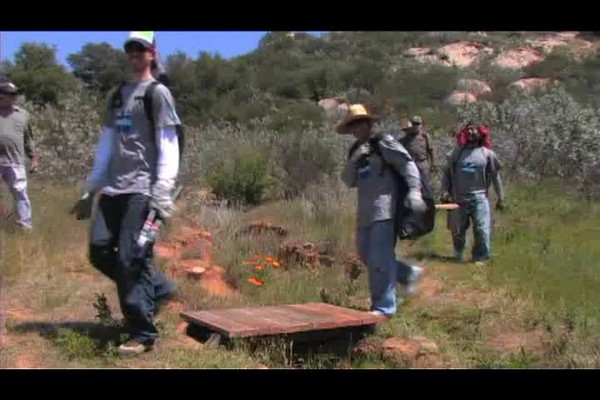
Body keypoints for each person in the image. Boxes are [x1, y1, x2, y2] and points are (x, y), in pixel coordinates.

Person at [73, 31, 180, 355]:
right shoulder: (119, 95)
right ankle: (158, 289)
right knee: (100, 251)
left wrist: (162, 189)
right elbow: (107, 143)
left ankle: (142, 332)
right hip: (114, 188)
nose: (134, 53)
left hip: (142, 190)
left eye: (140, 48)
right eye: (130, 48)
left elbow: (168, 143)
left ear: (152, 52)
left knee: (131, 257)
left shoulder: (157, 94)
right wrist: (92, 186)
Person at [338, 104, 426, 318]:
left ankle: (384, 308)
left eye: (360, 123)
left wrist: (415, 190)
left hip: (384, 209)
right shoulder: (355, 151)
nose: (356, 128)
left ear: (368, 123)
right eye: (352, 125)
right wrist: (355, 159)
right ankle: (408, 273)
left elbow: (407, 164)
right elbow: (348, 180)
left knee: (380, 258)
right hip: (365, 212)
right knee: (366, 255)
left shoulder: (383, 143)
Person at [441, 121, 505, 264]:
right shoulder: (456, 153)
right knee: (457, 230)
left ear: (480, 133)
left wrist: (501, 197)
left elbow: (495, 177)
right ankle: (458, 252)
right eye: (468, 130)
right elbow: (446, 174)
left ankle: (481, 257)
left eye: (473, 130)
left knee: (482, 229)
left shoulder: (487, 154)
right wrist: (444, 191)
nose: (470, 132)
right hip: (458, 199)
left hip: (479, 198)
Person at [0, 80, 39, 230]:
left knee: (20, 193)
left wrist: (34, 158)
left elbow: (28, 139)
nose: (16, 96)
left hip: (15, 161)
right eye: (12, 94)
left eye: (16, 93)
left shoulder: (22, 114)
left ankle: (25, 225)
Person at [398, 115, 436, 180]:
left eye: (417, 124)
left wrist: (433, 164)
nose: (416, 126)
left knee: (424, 185)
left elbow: (431, 150)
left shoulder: (425, 136)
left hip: (422, 164)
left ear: (421, 125)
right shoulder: (407, 137)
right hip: (411, 164)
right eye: (414, 124)